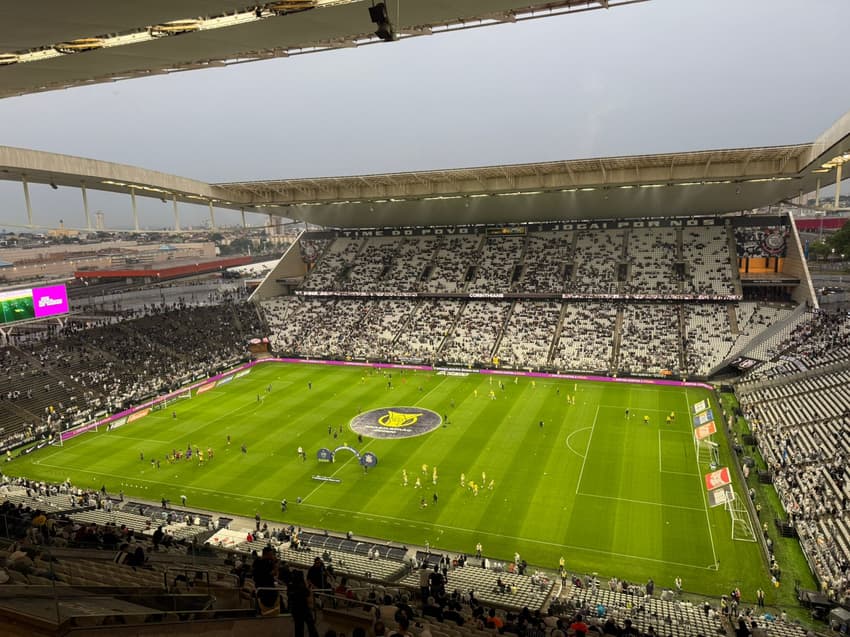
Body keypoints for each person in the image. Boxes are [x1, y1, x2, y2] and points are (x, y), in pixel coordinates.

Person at [287, 570, 318, 637]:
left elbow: (289, 595)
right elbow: (308, 595)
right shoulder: (302, 587)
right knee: (311, 626)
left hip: (295, 610)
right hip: (304, 609)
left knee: (298, 629)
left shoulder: (290, 586)